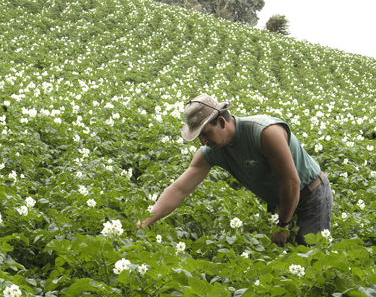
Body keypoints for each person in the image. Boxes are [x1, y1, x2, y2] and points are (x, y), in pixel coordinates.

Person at [139, 94, 333, 247]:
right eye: (199, 137)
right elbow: (179, 189)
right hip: (280, 202)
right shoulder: (212, 150)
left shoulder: (265, 133)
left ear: (222, 123)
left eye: (205, 134)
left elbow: (291, 182)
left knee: (309, 254)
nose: (203, 142)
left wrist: (282, 225)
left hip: (310, 196)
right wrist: (144, 222)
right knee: (281, 258)